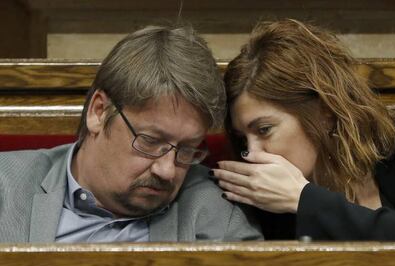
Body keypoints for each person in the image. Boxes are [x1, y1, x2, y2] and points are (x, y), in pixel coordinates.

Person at [0, 25, 262, 243]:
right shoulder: (7, 185)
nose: (167, 171)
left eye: (187, 149)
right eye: (150, 141)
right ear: (99, 112)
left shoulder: (215, 209)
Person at [212, 19, 395, 241]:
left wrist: (303, 199)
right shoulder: (258, 198)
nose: (252, 152)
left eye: (264, 129)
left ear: (324, 112)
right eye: (243, 139)